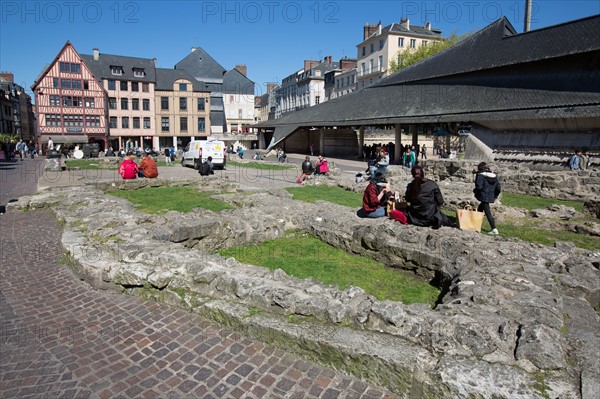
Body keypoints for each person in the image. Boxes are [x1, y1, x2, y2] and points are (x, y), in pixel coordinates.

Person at [473, 162, 501, 235]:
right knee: (480, 209)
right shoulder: (494, 176)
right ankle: (476, 225)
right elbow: (498, 188)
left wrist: (476, 191)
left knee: (488, 213)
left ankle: (494, 228)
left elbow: (479, 186)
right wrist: (495, 196)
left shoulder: (480, 175)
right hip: (490, 195)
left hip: (483, 195)